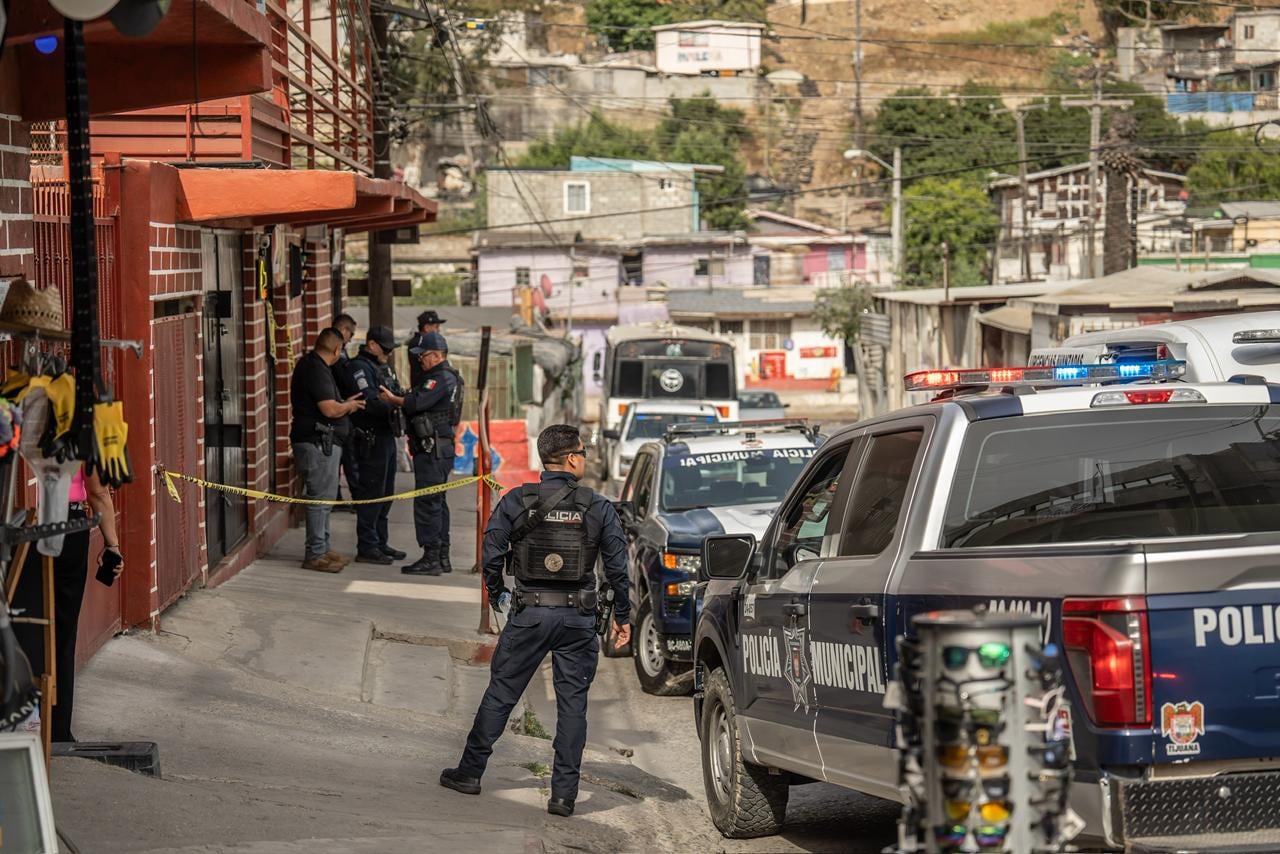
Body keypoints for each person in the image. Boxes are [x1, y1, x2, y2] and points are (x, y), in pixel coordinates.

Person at [439, 425, 632, 817]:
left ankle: (470, 773)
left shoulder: (516, 500)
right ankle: (563, 796)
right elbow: (617, 568)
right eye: (583, 453)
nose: (585, 459)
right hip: (578, 618)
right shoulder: (597, 506)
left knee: (501, 694)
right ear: (573, 458)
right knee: (573, 705)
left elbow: (491, 554)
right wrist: (623, 616)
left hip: (528, 614)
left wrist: (498, 594)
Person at [10, 467, 121, 743]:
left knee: (22, 622)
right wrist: (112, 546)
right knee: (61, 628)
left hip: (19, 524)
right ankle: (56, 730)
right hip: (66, 525)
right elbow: (97, 491)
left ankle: (22, 719)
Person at [381, 331, 456, 576]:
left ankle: (432, 557)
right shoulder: (439, 376)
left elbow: (416, 403)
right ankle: (441, 556)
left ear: (436, 355)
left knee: (428, 503)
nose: (419, 360)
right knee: (436, 502)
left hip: (433, 450)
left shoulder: (440, 378)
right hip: (434, 449)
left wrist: (394, 399)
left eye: (422, 355)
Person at [290, 327, 364, 572]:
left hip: (322, 441)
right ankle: (315, 553)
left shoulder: (316, 366)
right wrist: (350, 406)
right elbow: (329, 409)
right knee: (319, 498)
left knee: (325, 497)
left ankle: (323, 546)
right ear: (336, 349)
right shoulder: (315, 369)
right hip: (316, 442)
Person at [341, 325, 408, 565]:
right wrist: (392, 402)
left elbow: (394, 394)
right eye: (385, 349)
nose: (388, 354)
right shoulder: (359, 368)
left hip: (386, 435)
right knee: (372, 494)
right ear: (371, 345)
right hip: (369, 438)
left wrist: (392, 400)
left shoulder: (381, 367)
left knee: (386, 493)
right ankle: (367, 546)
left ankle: (380, 541)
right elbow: (371, 402)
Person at [332, 313, 359, 512]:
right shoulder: (336, 354)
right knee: (349, 457)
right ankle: (357, 498)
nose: (351, 339)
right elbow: (344, 378)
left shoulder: (337, 352)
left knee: (340, 459)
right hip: (339, 410)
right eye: (351, 334)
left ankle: (337, 497)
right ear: (343, 330)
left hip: (338, 409)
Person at [407, 309, 446, 389]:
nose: (438, 330)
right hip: (422, 388)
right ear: (427, 328)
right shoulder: (418, 343)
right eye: (436, 327)